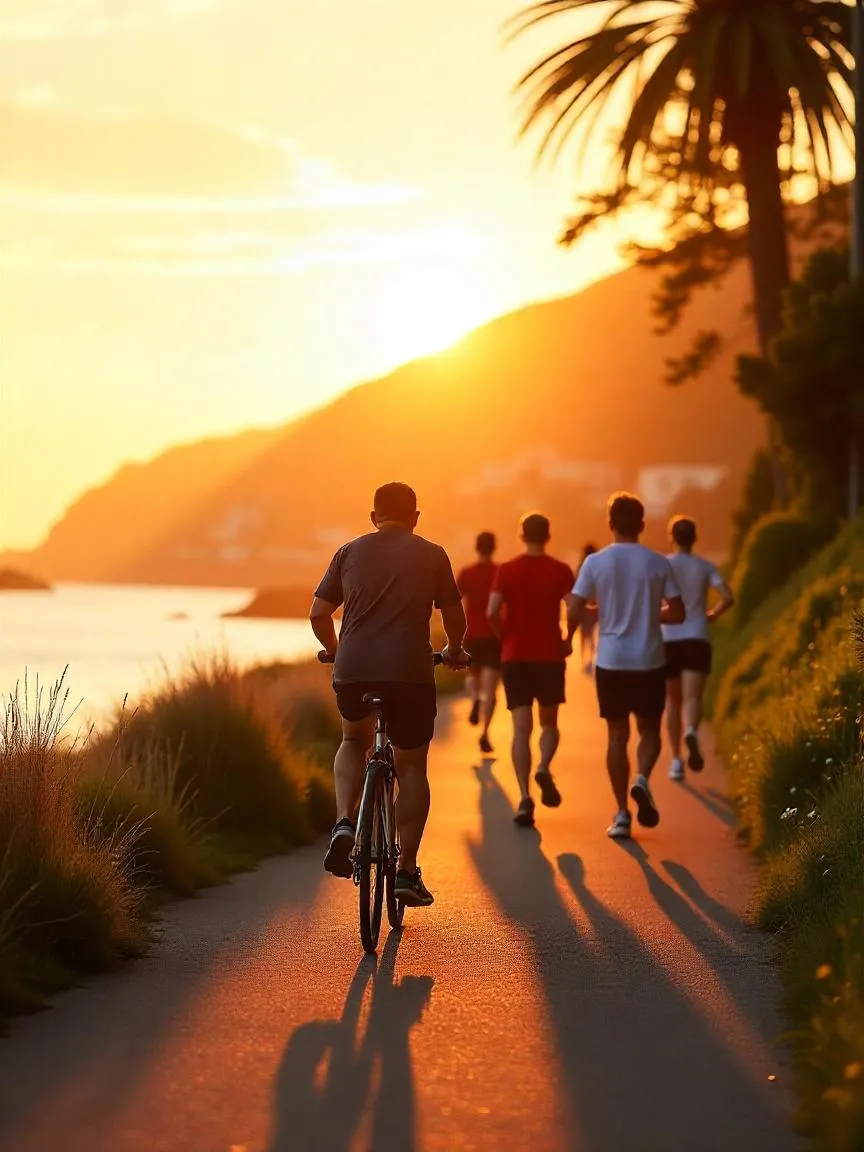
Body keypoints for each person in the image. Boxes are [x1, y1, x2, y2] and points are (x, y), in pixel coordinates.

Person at [309, 482, 469, 907]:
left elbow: (319, 613)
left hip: (354, 671)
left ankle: (344, 822)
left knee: (352, 739)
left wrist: (335, 650)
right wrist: (454, 649)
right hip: (409, 674)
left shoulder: (348, 552)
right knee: (411, 767)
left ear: (373, 517)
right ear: (415, 518)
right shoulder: (432, 554)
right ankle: (406, 872)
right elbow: (454, 614)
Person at [568, 493, 685, 840]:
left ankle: (621, 815)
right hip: (649, 660)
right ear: (642, 524)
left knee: (617, 736)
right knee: (649, 730)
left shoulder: (595, 563)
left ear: (610, 524)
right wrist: (650, 613)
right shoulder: (658, 563)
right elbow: (678, 613)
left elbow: (574, 608)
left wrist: (590, 618)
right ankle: (642, 778)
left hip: (612, 661)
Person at [486, 512, 575, 827]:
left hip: (516, 655)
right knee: (549, 724)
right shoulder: (561, 570)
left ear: (521, 535)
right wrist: (569, 637)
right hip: (549, 655)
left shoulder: (507, 570)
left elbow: (491, 611)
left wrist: (504, 636)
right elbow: (574, 606)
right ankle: (544, 767)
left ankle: (525, 797)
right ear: (548, 536)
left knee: (521, 728)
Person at [663, 515, 735, 782]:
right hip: (697, 637)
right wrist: (713, 613)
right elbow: (728, 597)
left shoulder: (664, 565)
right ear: (695, 538)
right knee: (692, 698)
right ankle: (691, 730)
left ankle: (676, 761)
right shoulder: (705, 566)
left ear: (672, 537)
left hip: (669, 638)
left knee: (673, 702)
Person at [457, 531, 500, 754]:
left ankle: (475, 697)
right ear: (494, 548)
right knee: (491, 689)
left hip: (471, 633)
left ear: (477, 547)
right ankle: (485, 733)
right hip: (494, 635)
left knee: (471, 677)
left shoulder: (467, 573)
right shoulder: (500, 572)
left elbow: (454, 600)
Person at [576, 543, 598, 674]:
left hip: (584, 604)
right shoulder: (598, 566)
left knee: (584, 633)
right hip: (596, 604)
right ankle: (592, 657)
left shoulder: (582, 567)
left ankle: (584, 657)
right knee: (594, 632)